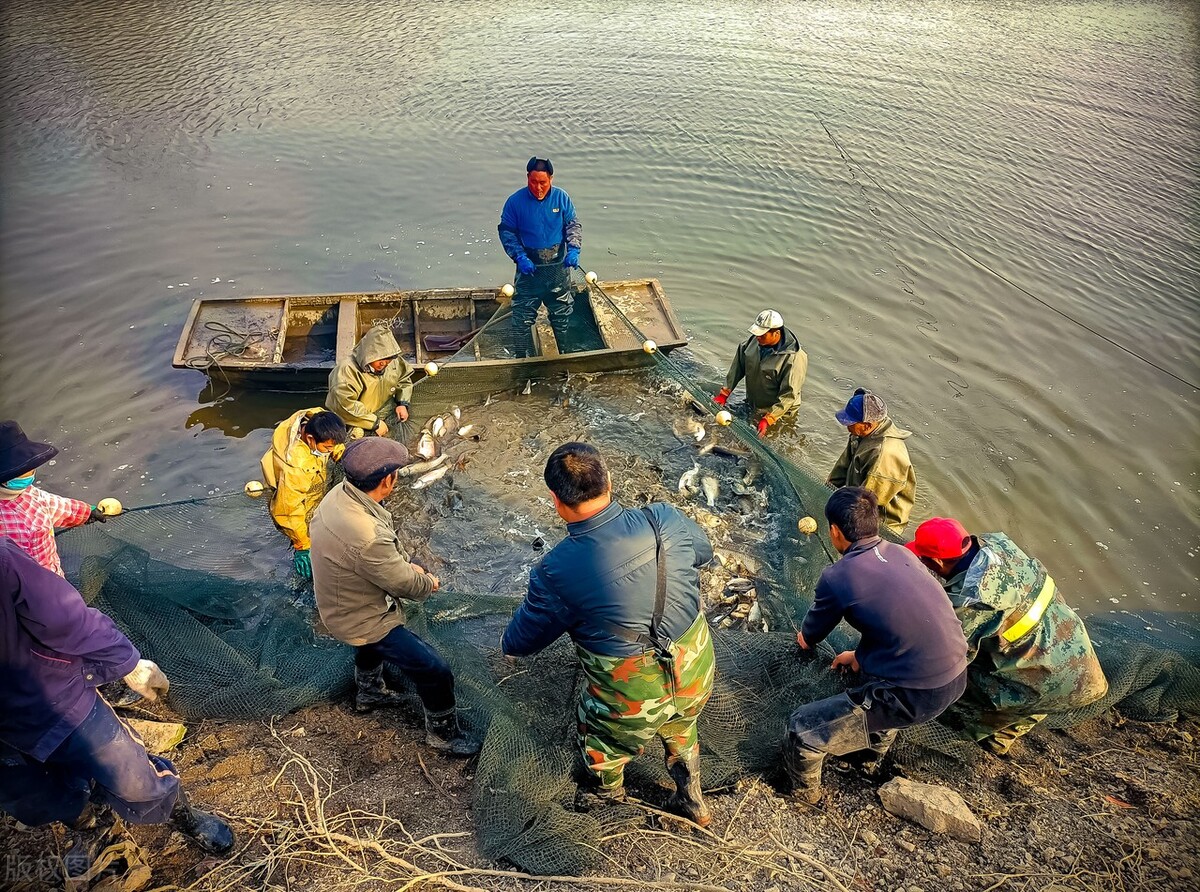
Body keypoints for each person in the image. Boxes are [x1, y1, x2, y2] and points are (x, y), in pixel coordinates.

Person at [502, 442, 717, 826]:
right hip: (696, 667)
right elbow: (704, 553)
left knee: (601, 739)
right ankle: (692, 800)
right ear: (610, 481)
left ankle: (607, 795)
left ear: (555, 500)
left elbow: (521, 642)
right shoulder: (663, 518)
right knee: (682, 724)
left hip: (630, 696)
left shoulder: (554, 570)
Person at [0, 538, 233, 876]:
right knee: (34, 798)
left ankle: (180, 813)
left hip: (55, 699)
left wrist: (127, 663)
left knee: (131, 774)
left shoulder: (4, 559)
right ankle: (92, 823)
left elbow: (66, 618)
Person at [786, 487, 968, 803]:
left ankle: (805, 798)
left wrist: (803, 639)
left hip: (918, 693)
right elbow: (899, 624)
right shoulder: (903, 553)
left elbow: (810, 636)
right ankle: (867, 763)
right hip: (957, 674)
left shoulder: (836, 576)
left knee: (803, 727)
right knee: (872, 688)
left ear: (834, 531)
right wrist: (858, 654)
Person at [308, 437, 478, 756]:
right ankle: (443, 734)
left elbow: (380, 560)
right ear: (388, 480)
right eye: (397, 474)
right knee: (434, 669)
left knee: (370, 643)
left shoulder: (339, 495)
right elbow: (405, 586)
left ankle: (369, 693)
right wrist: (427, 582)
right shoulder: (367, 536)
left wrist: (400, 564)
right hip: (358, 616)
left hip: (339, 602)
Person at [906, 517, 1109, 755]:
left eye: (924, 560)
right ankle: (1000, 741)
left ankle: (956, 742)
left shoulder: (971, 600)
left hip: (1046, 680)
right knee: (1030, 700)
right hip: (1080, 657)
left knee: (958, 702)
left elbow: (946, 658)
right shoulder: (999, 543)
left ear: (938, 562)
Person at [497, 157, 601, 358]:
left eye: (542, 183)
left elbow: (573, 226)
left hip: (557, 266)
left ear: (551, 179)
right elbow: (507, 232)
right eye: (533, 182)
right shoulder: (514, 202)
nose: (538, 188)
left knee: (562, 315)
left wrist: (573, 250)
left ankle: (565, 358)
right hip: (529, 269)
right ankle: (521, 360)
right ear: (527, 178)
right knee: (521, 318)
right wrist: (519, 256)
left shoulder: (562, 198)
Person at [0, 420, 111, 577]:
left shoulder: (29, 493)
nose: (30, 471)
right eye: (23, 469)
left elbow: (54, 505)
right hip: (16, 590)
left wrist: (87, 512)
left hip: (53, 578)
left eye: (31, 466)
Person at [260, 408, 348, 579]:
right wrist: (302, 546)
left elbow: (335, 445)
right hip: (291, 500)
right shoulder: (296, 468)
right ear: (310, 439)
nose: (331, 450)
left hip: (308, 480)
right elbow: (288, 511)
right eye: (328, 447)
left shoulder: (314, 417)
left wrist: (341, 454)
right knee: (303, 533)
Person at [826, 388, 916, 534]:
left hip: (880, 521)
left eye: (850, 423)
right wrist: (825, 492)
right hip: (860, 494)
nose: (847, 427)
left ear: (867, 425)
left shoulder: (885, 454)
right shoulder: (858, 433)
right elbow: (841, 469)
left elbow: (866, 503)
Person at [713, 309, 808, 436]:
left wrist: (769, 418)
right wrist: (724, 393)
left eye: (762, 335)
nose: (758, 337)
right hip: (754, 401)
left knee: (771, 437)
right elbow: (737, 368)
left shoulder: (794, 359)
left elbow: (788, 395)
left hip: (781, 413)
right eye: (757, 334)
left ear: (776, 333)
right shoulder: (753, 342)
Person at [325, 326, 415, 441]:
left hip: (381, 409)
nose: (384, 364)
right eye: (380, 360)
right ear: (369, 354)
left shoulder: (394, 363)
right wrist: (375, 423)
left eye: (388, 361)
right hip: (352, 419)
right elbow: (344, 406)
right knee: (355, 441)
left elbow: (404, 379)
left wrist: (402, 403)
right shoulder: (346, 371)